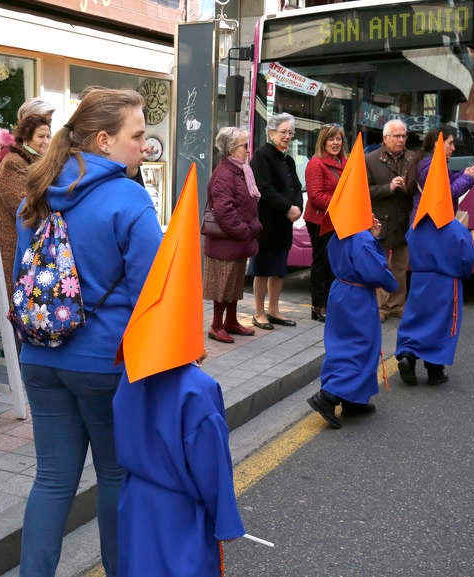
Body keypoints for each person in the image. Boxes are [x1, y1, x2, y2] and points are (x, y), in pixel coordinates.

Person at [14, 87, 162, 577]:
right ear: (103, 140)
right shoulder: (129, 199)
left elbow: (23, 280)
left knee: (52, 481)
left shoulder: (35, 195)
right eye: (137, 135)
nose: (144, 146)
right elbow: (154, 296)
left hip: (39, 359)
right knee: (116, 475)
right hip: (105, 365)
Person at [115, 164, 245, 577]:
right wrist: (225, 520)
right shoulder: (198, 389)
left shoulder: (131, 370)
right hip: (181, 514)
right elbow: (212, 465)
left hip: (136, 503)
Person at [307, 134, 398, 429]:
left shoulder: (341, 232)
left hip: (340, 292)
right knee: (360, 346)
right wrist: (390, 281)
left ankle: (354, 400)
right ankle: (330, 396)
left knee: (341, 343)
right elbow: (375, 271)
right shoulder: (361, 239)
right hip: (358, 298)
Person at [395, 133, 474, 386]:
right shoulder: (455, 230)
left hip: (420, 278)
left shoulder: (416, 227)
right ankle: (434, 370)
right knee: (443, 323)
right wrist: (462, 273)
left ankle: (408, 354)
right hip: (446, 281)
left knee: (415, 316)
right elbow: (468, 258)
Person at [203, 127, 262, 343]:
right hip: (225, 242)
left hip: (237, 240)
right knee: (223, 285)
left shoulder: (241, 170)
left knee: (235, 283)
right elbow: (224, 210)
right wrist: (245, 231)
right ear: (231, 149)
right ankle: (216, 325)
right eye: (244, 146)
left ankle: (231, 321)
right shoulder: (224, 174)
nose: (247, 150)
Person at [250, 112, 303, 329]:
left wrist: (298, 207)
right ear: (271, 133)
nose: (287, 136)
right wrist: (287, 207)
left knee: (279, 269)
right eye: (283, 132)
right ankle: (259, 312)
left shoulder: (288, 159)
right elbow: (263, 188)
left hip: (284, 223)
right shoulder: (262, 155)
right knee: (262, 268)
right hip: (267, 221)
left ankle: (274, 309)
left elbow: (297, 187)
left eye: (290, 132)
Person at [0, 113, 51, 305]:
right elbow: (23, 208)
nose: (46, 141)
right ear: (26, 138)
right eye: (41, 136)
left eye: (48, 136)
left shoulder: (38, 163)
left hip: (30, 245)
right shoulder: (13, 162)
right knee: (16, 300)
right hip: (14, 245)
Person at [365, 119, 413, 322]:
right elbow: (364, 191)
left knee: (401, 267)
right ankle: (380, 307)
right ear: (385, 138)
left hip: (403, 220)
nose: (401, 140)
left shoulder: (413, 158)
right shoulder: (370, 159)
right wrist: (388, 187)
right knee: (380, 265)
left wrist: (407, 185)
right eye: (397, 136)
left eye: (403, 136)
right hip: (380, 222)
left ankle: (396, 305)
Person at [304, 124, 348, 322]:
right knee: (322, 263)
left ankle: (332, 303)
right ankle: (318, 305)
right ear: (323, 142)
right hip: (320, 221)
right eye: (331, 139)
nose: (335, 143)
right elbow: (315, 196)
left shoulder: (346, 162)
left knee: (335, 264)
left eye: (338, 139)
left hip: (339, 220)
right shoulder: (316, 163)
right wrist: (343, 204)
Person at [405, 125, 474, 223]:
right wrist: (467, 178)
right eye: (450, 143)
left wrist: (464, 174)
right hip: (431, 224)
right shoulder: (433, 166)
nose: (453, 148)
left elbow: (447, 182)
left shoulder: (426, 162)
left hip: (426, 222)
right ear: (437, 144)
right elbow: (447, 194)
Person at [0, 97, 55, 165]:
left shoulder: (47, 146)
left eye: (49, 121)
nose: (46, 125)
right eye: (41, 120)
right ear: (27, 120)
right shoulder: (10, 153)